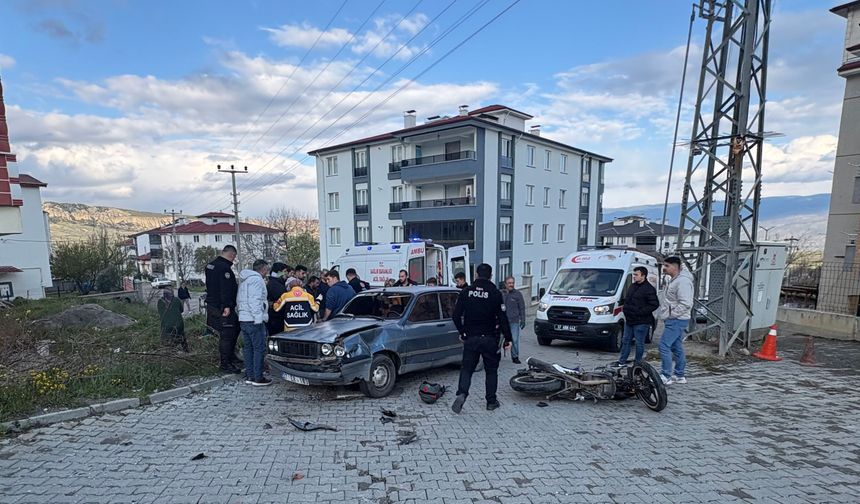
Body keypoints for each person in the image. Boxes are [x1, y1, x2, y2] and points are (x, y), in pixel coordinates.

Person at [451, 263, 512, 413]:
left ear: (476, 275)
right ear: (491, 276)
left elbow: (455, 315)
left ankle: (462, 393)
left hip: (471, 338)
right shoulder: (495, 293)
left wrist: (462, 331)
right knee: (491, 371)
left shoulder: (466, 291)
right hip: (489, 338)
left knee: (467, 369)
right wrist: (509, 339)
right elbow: (503, 318)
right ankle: (491, 401)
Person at [205, 245, 241, 374]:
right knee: (227, 334)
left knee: (236, 327)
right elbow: (225, 289)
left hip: (213, 305)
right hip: (222, 307)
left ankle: (231, 357)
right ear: (232, 256)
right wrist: (226, 306)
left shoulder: (210, 265)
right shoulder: (224, 269)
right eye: (234, 258)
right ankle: (225, 364)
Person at [658, 256, 694, 385]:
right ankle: (679, 375)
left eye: (667, 266)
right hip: (675, 318)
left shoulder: (682, 282)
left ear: (675, 266)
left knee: (664, 345)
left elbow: (686, 303)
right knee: (676, 346)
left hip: (676, 319)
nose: (664, 268)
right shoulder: (674, 280)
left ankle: (666, 375)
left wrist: (672, 315)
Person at [237, 259, 271, 386]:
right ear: (262, 269)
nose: (267, 272)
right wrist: (258, 318)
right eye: (266, 269)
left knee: (248, 348)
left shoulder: (245, 281)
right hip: (253, 320)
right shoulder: (257, 280)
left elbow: (240, 300)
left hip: (244, 318)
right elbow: (254, 300)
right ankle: (258, 377)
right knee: (259, 348)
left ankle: (250, 375)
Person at [617, 266, 660, 365]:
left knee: (639, 343)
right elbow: (628, 299)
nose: (634, 277)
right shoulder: (632, 286)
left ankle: (638, 363)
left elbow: (654, 304)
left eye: (636, 275)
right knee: (626, 341)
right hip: (630, 320)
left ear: (643, 276)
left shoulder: (649, 289)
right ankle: (622, 361)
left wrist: (640, 312)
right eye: (633, 274)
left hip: (641, 321)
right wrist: (626, 309)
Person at [502, 276, 526, 364]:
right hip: (502, 322)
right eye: (509, 283)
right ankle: (495, 356)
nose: (511, 285)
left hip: (514, 321)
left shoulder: (518, 294)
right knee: (498, 339)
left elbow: (522, 308)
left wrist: (523, 320)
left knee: (514, 340)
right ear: (505, 284)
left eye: (512, 283)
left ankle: (515, 357)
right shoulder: (501, 294)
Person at [266, 262, 288, 336]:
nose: (286, 274)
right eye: (284, 272)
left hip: (275, 318)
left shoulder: (275, 283)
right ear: (279, 272)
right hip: (276, 319)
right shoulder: (276, 286)